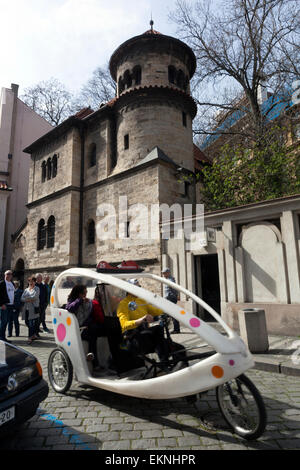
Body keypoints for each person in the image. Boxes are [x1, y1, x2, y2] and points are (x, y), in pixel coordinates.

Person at [117, 279, 169, 363]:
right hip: (133, 338)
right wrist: (141, 320)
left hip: (146, 334)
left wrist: (169, 310)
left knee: (177, 347)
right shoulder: (123, 304)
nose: (139, 289)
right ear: (129, 289)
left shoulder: (141, 301)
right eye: (137, 287)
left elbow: (155, 311)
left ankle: (166, 362)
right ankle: (164, 363)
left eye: (139, 286)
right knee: (158, 332)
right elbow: (124, 324)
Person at [21, 277, 40, 344]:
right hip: (26, 308)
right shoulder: (26, 290)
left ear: (35, 282)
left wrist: (26, 298)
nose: (31, 283)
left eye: (32, 281)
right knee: (27, 322)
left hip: (33, 308)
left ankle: (30, 337)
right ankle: (34, 334)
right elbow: (21, 298)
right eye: (29, 281)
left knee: (31, 323)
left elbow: (35, 297)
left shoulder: (37, 288)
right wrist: (29, 299)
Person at [162, 267, 180, 334]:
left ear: (168, 273)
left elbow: (174, 289)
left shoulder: (170, 280)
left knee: (172, 314)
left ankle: (176, 329)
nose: (163, 274)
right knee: (169, 314)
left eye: (165, 273)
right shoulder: (167, 279)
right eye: (163, 273)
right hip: (169, 298)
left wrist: (176, 296)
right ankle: (174, 328)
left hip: (171, 298)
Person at [0, 270, 15, 342]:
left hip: (11, 305)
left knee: (7, 321)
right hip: (4, 305)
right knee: (3, 321)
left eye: (10, 274)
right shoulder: (2, 283)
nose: (9, 275)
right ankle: (1, 337)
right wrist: (1, 304)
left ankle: (3, 336)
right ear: (5, 275)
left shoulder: (12, 283)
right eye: (8, 274)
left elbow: (13, 294)